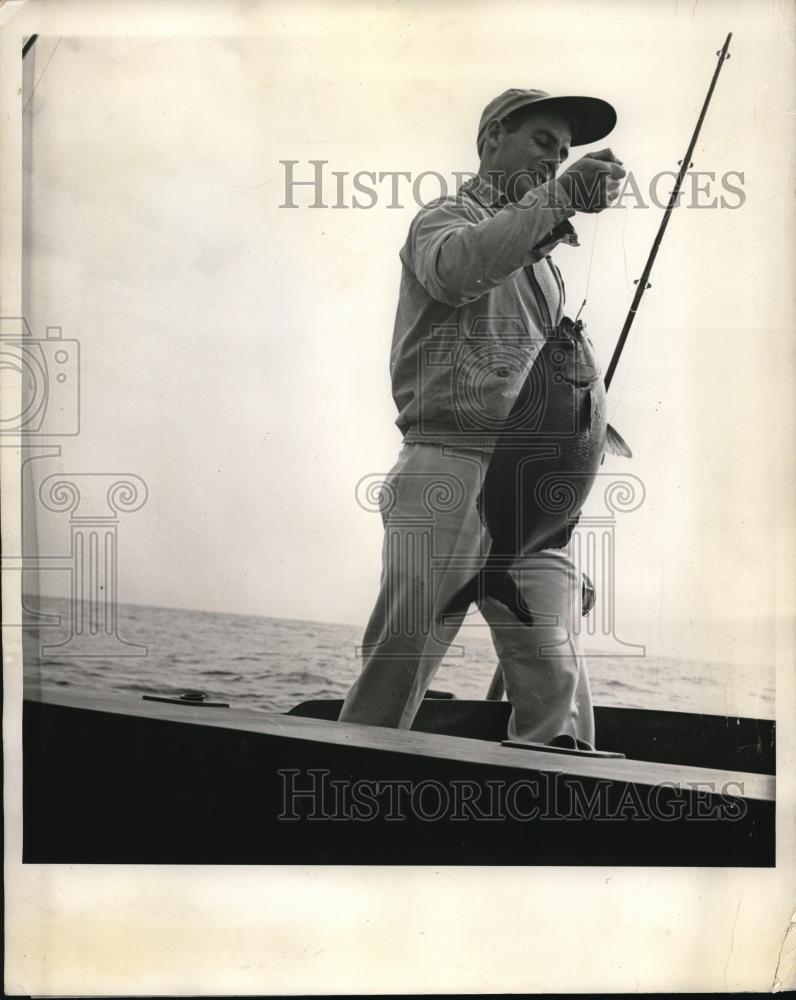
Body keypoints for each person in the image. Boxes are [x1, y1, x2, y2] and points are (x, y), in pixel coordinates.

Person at [339, 88, 626, 746]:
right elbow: (458, 271)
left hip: (530, 491)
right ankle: (351, 791)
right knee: (400, 660)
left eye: (562, 154)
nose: (554, 159)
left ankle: (552, 811)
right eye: (541, 142)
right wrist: (556, 201)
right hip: (448, 466)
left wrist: (564, 500)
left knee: (553, 670)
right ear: (492, 136)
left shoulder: (547, 268)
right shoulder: (440, 221)